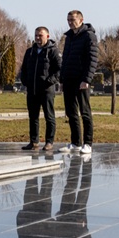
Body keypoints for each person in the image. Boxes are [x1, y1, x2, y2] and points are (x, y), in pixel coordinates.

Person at [58, 10, 99, 154]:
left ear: (81, 20)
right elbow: (65, 59)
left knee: (85, 112)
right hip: (69, 79)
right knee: (71, 112)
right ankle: (75, 142)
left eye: (73, 19)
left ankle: (88, 143)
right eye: (68, 19)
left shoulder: (89, 36)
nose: (70, 22)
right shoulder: (69, 37)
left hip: (81, 80)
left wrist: (86, 79)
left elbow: (92, 59)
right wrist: (62, 79)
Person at [19, 27, 61, 151]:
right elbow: (24, 69)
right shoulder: (30, 52)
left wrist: (49, 81)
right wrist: (25, 81)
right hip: (32, 90)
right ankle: (34, 141)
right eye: (36, 35)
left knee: (49, 116)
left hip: (47, 90)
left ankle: (49, 142)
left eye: (40, 35)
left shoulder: (53, 51)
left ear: (47, 36)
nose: (37, 38)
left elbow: (59, 70)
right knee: (33, 117)